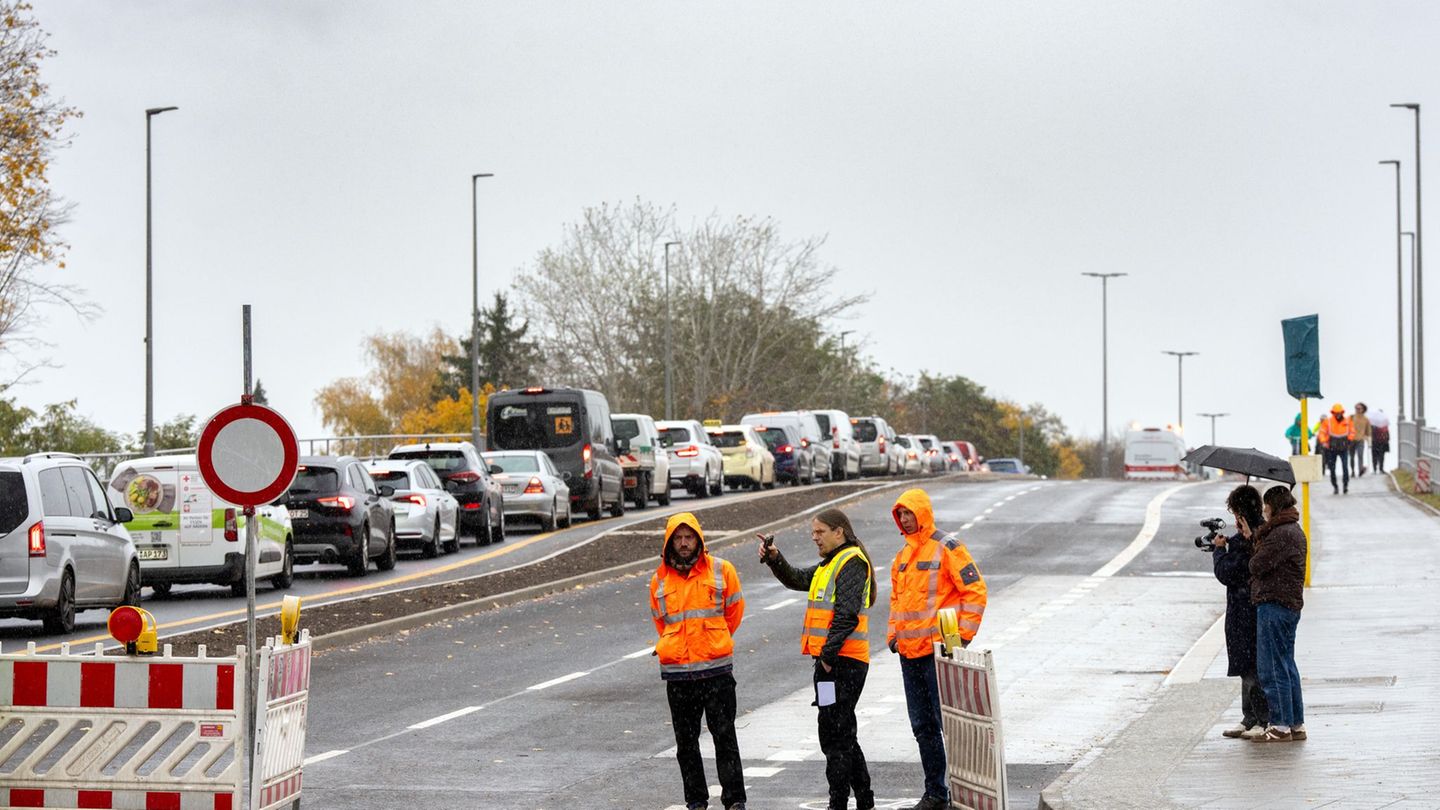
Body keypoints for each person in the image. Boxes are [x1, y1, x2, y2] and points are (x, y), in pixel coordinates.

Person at [758, 509, 877, 810]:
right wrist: (775, 559)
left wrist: (826, 657)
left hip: (844, 664)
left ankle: (839, 802)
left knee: (836, 736)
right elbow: (798, 578)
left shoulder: (850, 562)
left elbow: (847, 614)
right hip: (831, 665)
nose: (815, 537)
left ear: (839, 532)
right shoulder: (830, 564)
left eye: (820, 532)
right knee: (837, 732)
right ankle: (864, 799)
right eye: (813, 532)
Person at [887, 489, 987, 810]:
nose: (905, 519)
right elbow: (896, 601)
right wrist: (893, 636)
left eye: (909, 513)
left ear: (922, 513)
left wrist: (961, 638)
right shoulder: (902, 556)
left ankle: (962, 793)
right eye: (901, 514)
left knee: (950, 727)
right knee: (923, 727)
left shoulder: (948, 548)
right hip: (909, 654)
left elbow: (975, 590)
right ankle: (935, 793)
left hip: (938, 654)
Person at [649, 512, 747, 810]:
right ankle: (696, 800)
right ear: (669, 542)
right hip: (679, 676)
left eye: (688, 537)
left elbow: (734, 613)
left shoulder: (721, 570)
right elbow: (662, 623)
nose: (683, 543)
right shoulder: (659, 580)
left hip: (716, 671)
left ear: (698, 539)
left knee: (725, 737)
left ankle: (734, 800)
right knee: (686, 744)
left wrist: (712, 641)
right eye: (678, 538)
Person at [1244, 486, 1307, 743]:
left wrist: (1255, 541)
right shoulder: (1291, 530)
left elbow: (1256, 564)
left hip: (1275, 604)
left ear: (1275, 506)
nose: (1264, 510)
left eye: (1266, 505)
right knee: (1286, 664)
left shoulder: (1281, 533)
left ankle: (1280, 725)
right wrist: (1255, 536)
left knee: (1272, 666)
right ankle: (1295, 723)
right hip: (1286, 604)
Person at [1210, 485, 1270, 740]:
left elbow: (1228, 573)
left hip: (1248, 609)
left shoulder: (1255, 539)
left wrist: (1219, 552)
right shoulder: (1253, 536)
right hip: (1244, 609)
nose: (1234, 518)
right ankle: (1250, 717)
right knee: (1247, 665)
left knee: (1252, 667)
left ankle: (1261, 718)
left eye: (1235, 513)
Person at [1317, 403, 1355, 494]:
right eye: (1336, 413)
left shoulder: (1348, 421)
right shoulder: (1328, 421)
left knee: (1345, 467)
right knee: (1332, 468)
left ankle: (1345, 485)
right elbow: (1322, 433)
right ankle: (1335, 486)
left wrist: (1350, 440)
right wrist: (1324, 442)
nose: (1338, 414)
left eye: (1339, 412)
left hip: (1343, 448)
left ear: (1342, 412)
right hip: (1332, 448)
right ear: (1333, 413)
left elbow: (1352, 431)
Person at [1350, 402, 1372, 477]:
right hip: (1351, 440)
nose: (1357, 410)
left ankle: (1360, 470)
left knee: (1360, 455)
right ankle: (1352, 471)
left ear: (1363, 409)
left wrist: (1369, 441)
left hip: (1360, 440)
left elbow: (1368, 431)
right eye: (1356, 408)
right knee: (1352, 457)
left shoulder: (1366, 419)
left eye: (1359, 408)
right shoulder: (1351, 417)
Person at [1371, 409, 1391, 473]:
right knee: (1381, 455)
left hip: (1376, 441)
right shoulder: (1384, 423)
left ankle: (1375, 468)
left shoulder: (1373, 423)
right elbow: (1387, 432)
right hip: (1382, 441)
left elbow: (1371, 432)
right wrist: (1387, 439)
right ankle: (1380, 468)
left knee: (1375, 455)